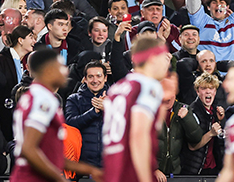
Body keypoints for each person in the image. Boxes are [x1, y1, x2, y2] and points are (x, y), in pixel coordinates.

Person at [10, 48, 103, 182]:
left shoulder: (32, 96)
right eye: (60, 67)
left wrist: (89, 170)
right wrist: (60, 179)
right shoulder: (42, 100)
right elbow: (29, 149)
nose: (66, 72)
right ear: (48, 71)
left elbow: (50, 155)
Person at [103, 37, 170, 182]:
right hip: (132, 170)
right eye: (164, 57)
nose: (167, 63)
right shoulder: (147, 85)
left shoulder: (117, 88)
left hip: (113, 168)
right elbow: (139, 134)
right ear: (153, 58)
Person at [64, 60, 108, 168]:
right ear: (85, 79)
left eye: (98, 76)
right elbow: (70, 123)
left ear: (105, 78)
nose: (95, 80)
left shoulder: (116, 98)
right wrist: (94, 111)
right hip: (83, 164)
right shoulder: (74, 99)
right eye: (91, 76)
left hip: (110, 163)